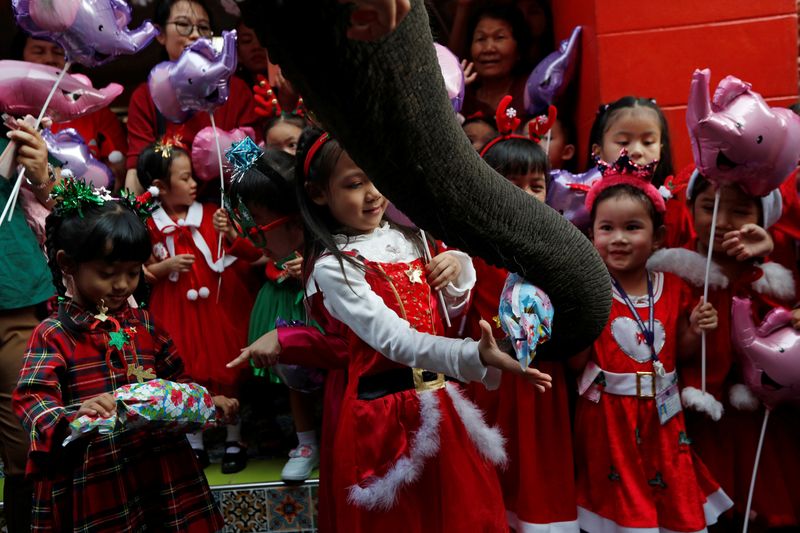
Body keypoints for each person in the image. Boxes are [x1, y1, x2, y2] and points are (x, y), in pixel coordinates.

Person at [295, 126, 552, 531]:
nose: (373, 193)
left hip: (437, 397)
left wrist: (457, 270)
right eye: (354, 183)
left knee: (461, 514)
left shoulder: (413, 241)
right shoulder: (333, 267)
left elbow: (446, 315)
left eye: (377, 177)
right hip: (383, 415)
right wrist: (472, 355)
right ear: (318, 193)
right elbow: (395, 340)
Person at [12, 178, 236, 532]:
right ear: (68, 264)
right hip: (97, 476)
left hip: (161, 468)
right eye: (107, 273)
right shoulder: (54, 333)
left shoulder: (144, 324)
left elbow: (176, 381)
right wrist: (72, 415)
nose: (122, 286)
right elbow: (31, 398)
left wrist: (207, 400)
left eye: (132, 273)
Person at [570, 153, 733, 532]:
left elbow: (681, 351)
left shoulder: (673, 287)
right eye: (606, 228)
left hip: (664, 417)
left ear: (657, 237)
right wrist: (573, 326)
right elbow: (576, 364)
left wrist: (695, 328)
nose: (619, 239)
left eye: (632, 227)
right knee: (617, 505)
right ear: (591, 233)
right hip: (606, 417)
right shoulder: (589, 292)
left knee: (668, 499)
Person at [651, 172, 799, 530]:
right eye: (709, 207)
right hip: (692, 424)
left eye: (741, 211)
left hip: (756, 428)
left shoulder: (775, 282)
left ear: (762, 221)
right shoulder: (672, 273)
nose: (722, 221)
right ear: (689, 207)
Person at [461, 99, 579, 532]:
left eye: (536, 185)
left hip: (542, 387)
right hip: (491, 385)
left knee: (539, 479)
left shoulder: (564, 248)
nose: (527, 196)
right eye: (511, 184)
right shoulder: (469, 250)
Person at [137, 138, 260, 473]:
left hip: (217, 304)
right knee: (186, 370)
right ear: (160, 186)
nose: (194, 184)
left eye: (192, 176)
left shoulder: (210, 214)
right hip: (175, 308)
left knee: (227, 368)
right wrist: (163, 269)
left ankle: (235, 437)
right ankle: (194, 440)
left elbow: (249, 254)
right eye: (185, 178)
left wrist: (232, 235)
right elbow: (137, 274)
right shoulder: (149, 224)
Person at [223, 146, 322, 483]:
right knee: (295, 375)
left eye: (257, 224)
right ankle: (307, 443)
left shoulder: (334, 261)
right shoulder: (280, 246)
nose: (254, 236)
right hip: (283, 299)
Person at [125, 0, 259, 193]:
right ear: (161, 34)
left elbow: (254, 159)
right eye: (183, 25)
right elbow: (138, 169)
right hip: (169, 213)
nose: (195, 35)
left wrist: (223, 155)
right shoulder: (145, 95)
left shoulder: (236, 89)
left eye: (203, 27)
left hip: (228, 208)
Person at [0, 116, 59, 532]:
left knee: (27, 444)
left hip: (15, 295)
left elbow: (68, 202)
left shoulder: (10, 132)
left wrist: (42, 174)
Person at [11, 32, 129, 190]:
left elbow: (118, 179)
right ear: (21, 57)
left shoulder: (97, 113)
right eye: (38, 51)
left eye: (58, 52)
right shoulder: (10, 109)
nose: (49, 59)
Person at [459, 5, 534, 121]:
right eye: (481, 39)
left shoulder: (531, 92)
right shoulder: (462, 99)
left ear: (519, 49)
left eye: (499, 37)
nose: (488, 48)